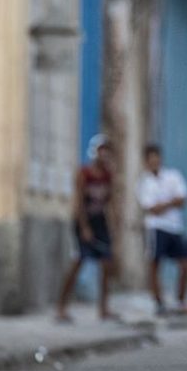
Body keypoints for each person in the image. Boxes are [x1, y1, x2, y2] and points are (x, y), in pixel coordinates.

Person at [56, 136, 119, 324]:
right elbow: (79, 202)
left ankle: (104, 308)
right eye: (102, 150)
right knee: (78, 262)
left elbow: (110, 201)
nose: (105, 154)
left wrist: (113, 224)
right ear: (95, 152)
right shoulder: (84, 173)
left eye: (108, 150)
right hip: (84, 221)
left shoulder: (108, 175)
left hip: (101, 221)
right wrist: (83, 227)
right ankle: (61, 306)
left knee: (106, 264)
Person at [138, 143, 187, 318]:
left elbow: (182, 199)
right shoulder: (143, 183)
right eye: (151, 158)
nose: (155, 161)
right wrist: (171, 202)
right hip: (155, 228)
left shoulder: (172, 176)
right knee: (155, 264)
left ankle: (181, 300)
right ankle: (158, 301)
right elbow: (151, 208)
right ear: (146, 161)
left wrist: (164, 205)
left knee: (185, 264)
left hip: (174, 227)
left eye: (157, 157)